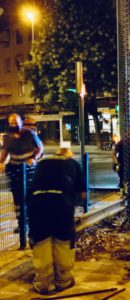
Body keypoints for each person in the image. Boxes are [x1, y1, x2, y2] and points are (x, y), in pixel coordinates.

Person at [27, 148, 86, 295]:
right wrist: (73, 204)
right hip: (61, 204)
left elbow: (31, 186)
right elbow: (83, 194)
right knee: (63, 242)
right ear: (68, 155)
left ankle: (43, 283)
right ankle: (63, 281)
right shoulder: (73, 163)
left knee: (41, 243)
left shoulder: (41, 163)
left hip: (37, 205)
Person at [0, 114, 44, 233]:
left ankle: (33, 222)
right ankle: (21, 224)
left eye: (16, 122)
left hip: (29, 169)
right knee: (17, 199)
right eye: (11, 122)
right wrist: (1, 163)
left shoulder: (29, 134)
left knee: (30, 197)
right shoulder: (8, 138)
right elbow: (4, 153)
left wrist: (34, 157)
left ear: (21, 122)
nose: (14, 124)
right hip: (15, 169)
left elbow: (40, 148)